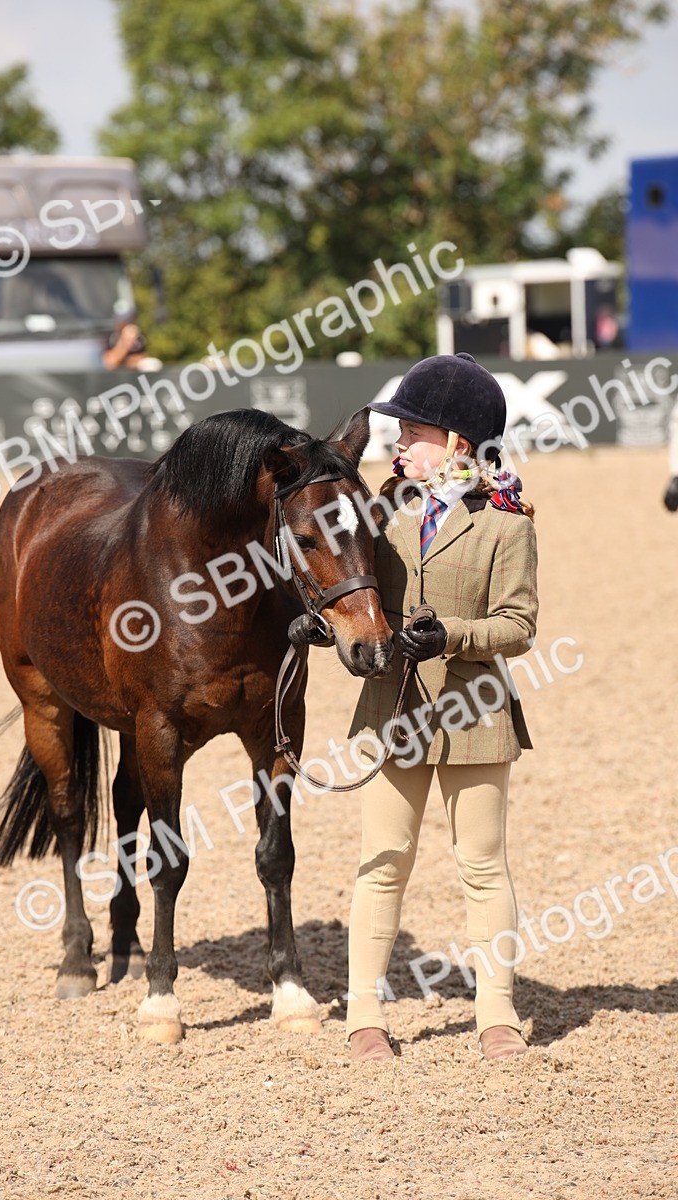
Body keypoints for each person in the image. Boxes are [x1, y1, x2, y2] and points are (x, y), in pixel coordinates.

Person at [345, 352, 538, 1064]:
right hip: (394, 706)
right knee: (383, 858)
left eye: (412, 431)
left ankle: (497, 1014)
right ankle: (364, 1011)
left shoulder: (507, 524)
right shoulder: (378, 508)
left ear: (457, 441)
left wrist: (452, 635)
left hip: (474, 707)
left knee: (482, 863)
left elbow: (519, 626)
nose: (398, 443)